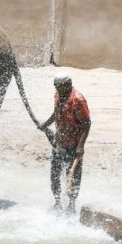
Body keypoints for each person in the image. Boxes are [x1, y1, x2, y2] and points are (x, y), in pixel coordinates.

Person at [39, 72, 91, 213]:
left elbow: (87, 124)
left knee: (72, 177)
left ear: (68, 84)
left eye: (59, 87)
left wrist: (81, 146)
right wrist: (46, 124)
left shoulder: (78, 100)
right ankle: (57, 203)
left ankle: (72, 205)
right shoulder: (58, 95)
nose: (56, 89)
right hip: (59, 143)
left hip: (74, 145)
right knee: (54, 175)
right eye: (55, 87)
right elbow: (57, 113)